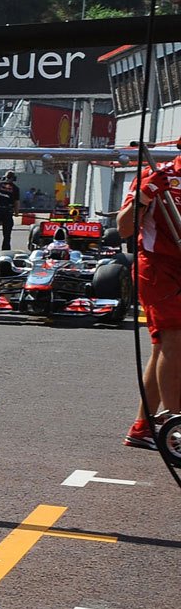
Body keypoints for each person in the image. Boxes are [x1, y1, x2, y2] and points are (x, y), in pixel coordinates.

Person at [118, 154, 181, 450]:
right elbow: (124, 228)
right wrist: (145, 195)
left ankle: (143, 427)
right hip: (158, 269)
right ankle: (176, 426)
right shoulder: (157, 174)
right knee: (176, 339)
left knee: (164, 348)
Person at [0, 170, 21, 251]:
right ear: (14, 178)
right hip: (7, 211)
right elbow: (16, 202)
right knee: (7, 234)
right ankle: (5, 251)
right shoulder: (15, 188)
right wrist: (16, 212)